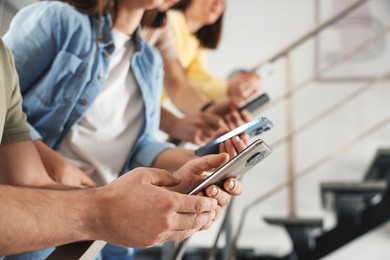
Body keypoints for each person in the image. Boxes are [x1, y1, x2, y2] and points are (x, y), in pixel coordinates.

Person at [3, 0, 247, 258]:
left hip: (113, 221)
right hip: (41, 210)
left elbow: (141, 145)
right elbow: (6, 108)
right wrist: (55, 164)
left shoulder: (150, 62)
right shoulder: (59, 20)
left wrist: (199, 162)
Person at [168, 0, 261, 105]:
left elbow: (198, 79)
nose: (217, 3)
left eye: (222, 2)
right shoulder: (171, 19)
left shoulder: (196, 45)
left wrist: (229, 87)